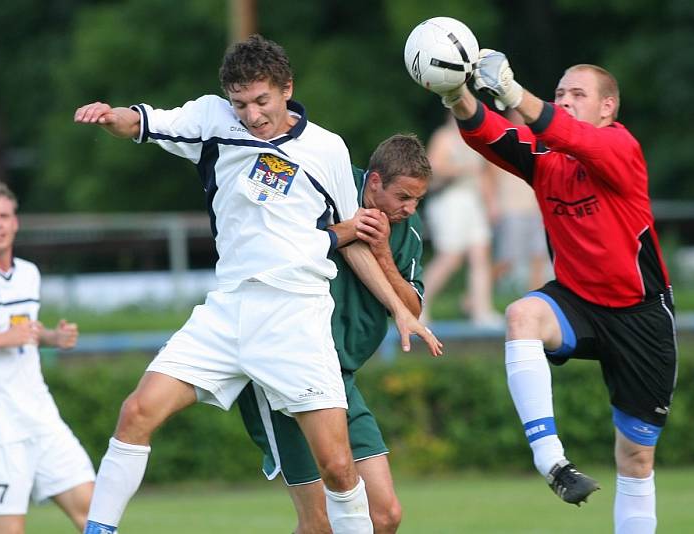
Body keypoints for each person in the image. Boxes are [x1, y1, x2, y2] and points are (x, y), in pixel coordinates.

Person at [74, 34, 440, 534]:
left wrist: (400, 309)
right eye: (240, 103)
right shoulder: (212, 120)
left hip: (296, 318)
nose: (251, 115)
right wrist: (110, 116)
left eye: (261, 101)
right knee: (137, 411)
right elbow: (143, 122)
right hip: (227, 310)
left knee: (338, 468)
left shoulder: (325, 148)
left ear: (287, 89)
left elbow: (351, 237)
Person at [418, 48, 676, 533]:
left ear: (608, 108)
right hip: (577, 301)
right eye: (560, 93)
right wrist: (457, 94)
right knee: (521, 315)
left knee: (636, 458)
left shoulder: (620, 148)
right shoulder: (545, 160)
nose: (566, 101)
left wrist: (516, 94)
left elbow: (570, 134)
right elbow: (490, 133)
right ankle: (551, 461)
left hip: (640, 314)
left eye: (579, 94)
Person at [238, 133, 430, 533]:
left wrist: (382, 255)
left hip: (339, 379)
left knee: (385, 515)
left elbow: (412, 310)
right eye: (403, 197)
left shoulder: (406, 230)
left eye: (417, 200)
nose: (410, 209)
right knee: (319, 524)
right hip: (286, 369)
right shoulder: (323, 187)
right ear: (373, 182)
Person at [0, 181, 95, 534]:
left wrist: (53, 337)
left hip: (42, 420)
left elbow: (24, 331)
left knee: (96, 519)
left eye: (4, 216)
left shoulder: (28, 273)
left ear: (15, 222)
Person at [421, 112, 501, 327]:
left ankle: (481, 310)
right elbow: (434, 169)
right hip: (449, 199)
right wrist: (462, 169)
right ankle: (418, 305)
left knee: (480, 253)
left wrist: (491, 203)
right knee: (450, 257)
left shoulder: (475, 137)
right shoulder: (444, 136)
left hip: (472, 200)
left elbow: (484, 174)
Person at [491, 109, 551, 294]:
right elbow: (489, 177)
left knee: (538, 257)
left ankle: (534, 299)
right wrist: (492, 204)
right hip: (511, 209)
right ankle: (475, 296)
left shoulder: (539, 143)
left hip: (536, 209)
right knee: (506, 260)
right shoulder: (501, 143)